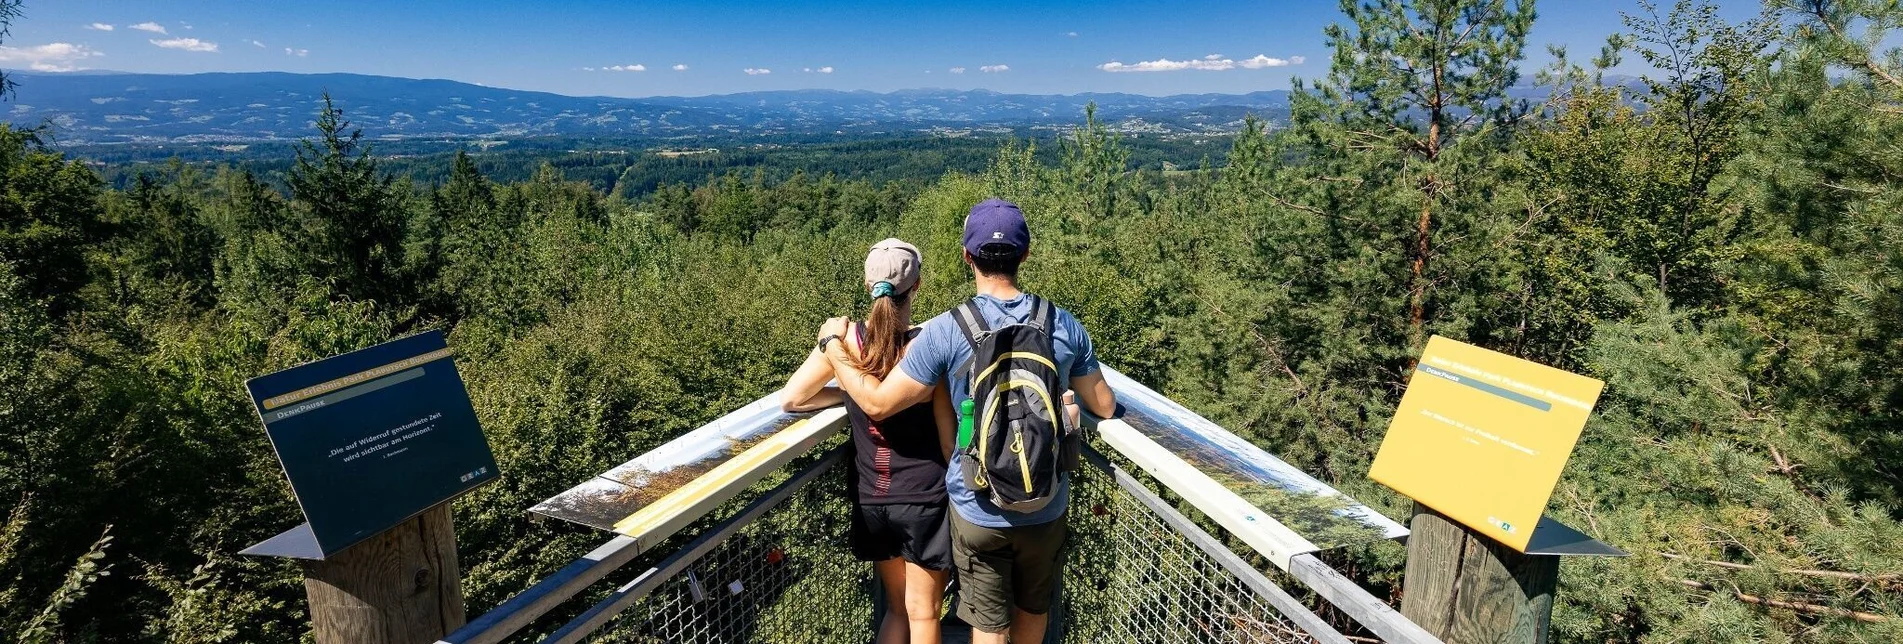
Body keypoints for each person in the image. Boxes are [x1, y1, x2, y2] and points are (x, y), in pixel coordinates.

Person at [820, 199, 1116, 644]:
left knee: (987, 624)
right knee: (1032, 610)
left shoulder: (945, 330)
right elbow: (1106, 406)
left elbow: (878, 403)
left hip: (977, 503)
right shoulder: (1063, 324)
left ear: (966, 257)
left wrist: (833, 347)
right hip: (1045, 500)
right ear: (1026, 254)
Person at [780, 238, 956, 644]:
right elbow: (947, 436)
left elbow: (792, 398)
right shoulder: (926, 345)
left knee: (896, 610)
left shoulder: (845, 344)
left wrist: (852, 390)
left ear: (866, 284)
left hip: (872, 499)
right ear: (918, 286)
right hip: (924, 498)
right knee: (924, 614)